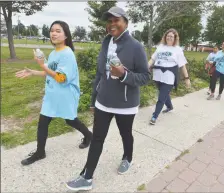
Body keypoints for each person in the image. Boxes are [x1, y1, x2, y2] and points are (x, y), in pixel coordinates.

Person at [66, 6, 150, 191]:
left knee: (125, 134)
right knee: (97, 138)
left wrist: (124, 75)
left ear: (125, 22)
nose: (112, 24)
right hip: (103, 101)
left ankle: (127, 158)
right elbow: (100, 73)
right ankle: (87, 177)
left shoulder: (136, 46)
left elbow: (145, 76)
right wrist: (93, 100)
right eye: (109, 21)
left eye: (116, 20)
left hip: (125, 104)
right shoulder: (106, 42)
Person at [15, 20, 93, 166]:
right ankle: (40, 152)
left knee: (70, 120)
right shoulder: (53, 53)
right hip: (52, 95)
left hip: (65, 95)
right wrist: (33, 72)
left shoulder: (67, 54)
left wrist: (42, 65)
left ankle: (89, 135)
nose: (54, 33)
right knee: (43, 122)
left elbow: (62, 78)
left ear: (65, 35)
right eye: (52, 30)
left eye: (58, 31)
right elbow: (50, 73)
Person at [148, 28, 191, 125]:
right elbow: (152, 59)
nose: (169, 37)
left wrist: (187, 78)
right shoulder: (160, 47)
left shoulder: (177, 50)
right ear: (165, 37)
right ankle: (170, 106)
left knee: (161, 97)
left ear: (175, 38)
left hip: (169, 76)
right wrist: (145, 67)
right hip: (157, 75)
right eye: (168, 36)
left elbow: (182, 65)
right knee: (164, 93)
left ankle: (154, 116)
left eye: (172, 36)